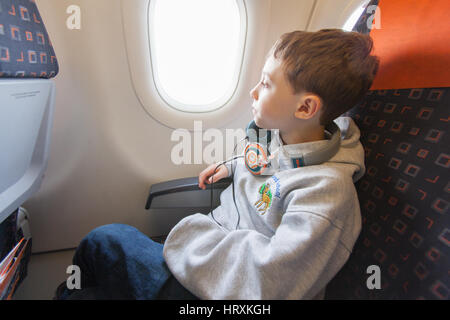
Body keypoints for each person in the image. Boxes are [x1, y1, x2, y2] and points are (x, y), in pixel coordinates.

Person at [55, 29, 379, 300]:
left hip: (225, 291)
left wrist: (201, 241)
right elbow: (272, 169)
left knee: (105, 240)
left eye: (266, 84)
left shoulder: (326, 194)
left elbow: (273, 281)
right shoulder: (285, 139)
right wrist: (235, 166)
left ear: (306, 107)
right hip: (211, 260)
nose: (253, 91)